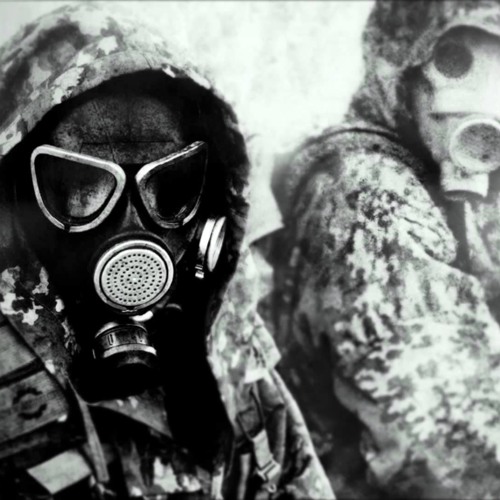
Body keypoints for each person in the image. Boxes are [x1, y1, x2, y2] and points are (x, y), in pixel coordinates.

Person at [0, 4, 334, 499]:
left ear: (211, 206)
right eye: (81, 183)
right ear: (16, 198)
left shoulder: (226, 352)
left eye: (170, 183)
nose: (131, 229)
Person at [266, 0, 500, 498]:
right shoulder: (371, 196)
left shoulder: (440, 177)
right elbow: (452, 456)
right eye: (457, 60)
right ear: (403, 61)